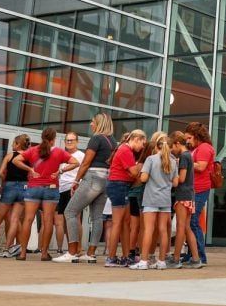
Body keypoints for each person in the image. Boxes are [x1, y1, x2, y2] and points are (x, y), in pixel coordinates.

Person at [56, 112, 115, 263]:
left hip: (93, 177)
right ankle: (91, 253)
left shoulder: (96, 139)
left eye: (93, 121)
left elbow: (86, 162)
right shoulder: (113, 141)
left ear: (99, 123)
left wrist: (76, 181)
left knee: (70, 211)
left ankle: (72, 252)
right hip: (106, 180)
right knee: (97, 217)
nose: (91, 124)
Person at [12, 127, 70, 261]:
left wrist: (30, 169)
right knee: (48, 220)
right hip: (51, 188)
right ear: (53, 139)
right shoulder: (59, 152)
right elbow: (75, 162)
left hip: (34, 187)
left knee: (28, 219)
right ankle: (44, 253)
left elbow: (16, 160)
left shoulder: (33, 150)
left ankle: (22, 253)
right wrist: (60, 172)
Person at [129, 131, 178, 269]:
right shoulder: (173, 161)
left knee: (148, 230)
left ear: (156, 146)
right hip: (165, 200)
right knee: (163, 230)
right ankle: (162, 261)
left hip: (151, 198)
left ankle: (144, 261)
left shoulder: (151, 159)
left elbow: (143, 178)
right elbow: (175, 183)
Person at [0, 133, 30, 257]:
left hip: (10, 186)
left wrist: (4, 182)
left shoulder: (10, 156)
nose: (12, 145)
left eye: (14, 142)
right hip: (24, 187)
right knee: (15, 219)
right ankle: (7, 249)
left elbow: (0, 172)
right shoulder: (29, 157)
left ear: (18, 144)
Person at [104, 129, 146, 267]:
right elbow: (134, 172)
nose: (142, 147)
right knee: (117, 222)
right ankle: (111, 258)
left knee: (125, 222)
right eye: (142, 143)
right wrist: (141, 165)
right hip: (119, 186)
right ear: (136, 139)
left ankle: (126, 255)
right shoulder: (125, 150)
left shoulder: (124, 150)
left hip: (121, 186)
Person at [169, 131, 203, 269]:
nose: (172, 150)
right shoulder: (189, 155)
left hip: (182, 195)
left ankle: (176, 258)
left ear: (178, 143)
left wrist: (170, 179)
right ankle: (195, 258)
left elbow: (181, 178)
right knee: (187, 227)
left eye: (173, 147)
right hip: (190, 195)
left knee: (181, 227)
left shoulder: (183, 156)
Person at [186, 121, 216, 264]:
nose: (187, 141)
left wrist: (184, 161)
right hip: (194, 189)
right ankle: (193, 253)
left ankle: (200, 256)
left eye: (189, 138)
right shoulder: (198, 148)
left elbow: (202, 166)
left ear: (197, 136)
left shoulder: (204, 147)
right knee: (191, 222)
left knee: (193, 221)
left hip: (199, 188)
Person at [53, 132, 84, 252]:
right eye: (67, 140)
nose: (69, 142)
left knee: (76, 218)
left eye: (72, 140)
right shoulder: (62, 154)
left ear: (77, 141)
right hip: (60, 188)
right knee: (64, 220)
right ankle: (68, 248)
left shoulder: (81, 155)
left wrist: (78, 184)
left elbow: (84, 170)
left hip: (74, 188)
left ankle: (79, 248)